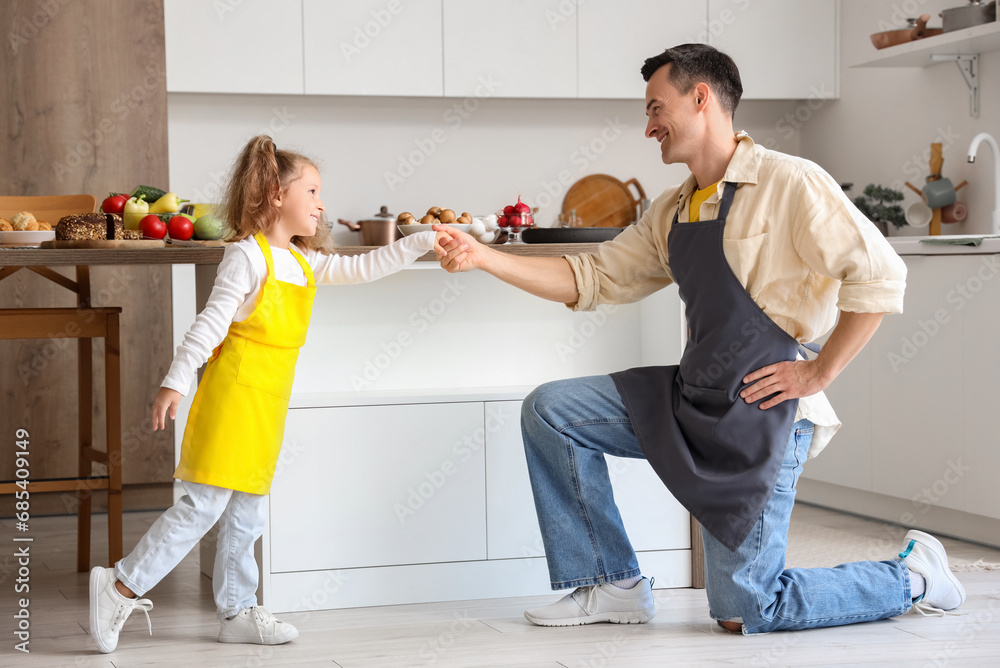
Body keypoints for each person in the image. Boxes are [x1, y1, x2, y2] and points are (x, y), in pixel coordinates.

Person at [435, 44, 966, 634]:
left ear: (701, 97)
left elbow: (881, 275)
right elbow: (591, 278)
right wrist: (484, 257)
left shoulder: (791, 183)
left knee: (746, 611)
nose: (648, 127)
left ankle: (915, 576)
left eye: (656, 108)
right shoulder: (673, 210)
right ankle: (612, 583)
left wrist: (817, 374)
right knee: (553, 411)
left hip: (764, 413)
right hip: (694, 398)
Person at [89, 135, 453, 653]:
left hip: (265, 409)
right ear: (276, 196)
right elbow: (209, 325)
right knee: (202, 507)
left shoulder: (304, 262)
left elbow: (365, 267)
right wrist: (176, 379)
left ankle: (236, 610)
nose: (322, 202)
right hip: (231, 404)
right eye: (313, 190)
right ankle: (119, 586)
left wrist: (421, 242)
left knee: (249, 512)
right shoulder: (248, 258)